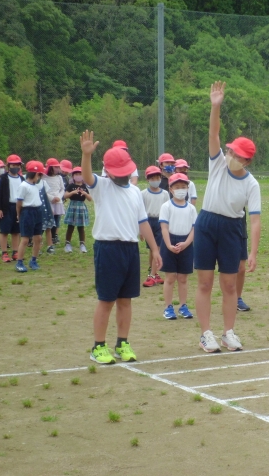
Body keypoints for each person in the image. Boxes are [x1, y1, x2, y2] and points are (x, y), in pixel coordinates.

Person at [80, 130, 162, 364]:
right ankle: (98, 346)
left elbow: (143, 222)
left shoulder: (135, 191)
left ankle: (122, 343)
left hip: (130, 250)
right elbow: (87, 176)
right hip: (108, 249)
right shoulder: (102, 187)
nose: (123, 176)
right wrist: (86, 156)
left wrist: (155, 249)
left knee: (126, 300)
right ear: (108, 172)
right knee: (106, 300)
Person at [194, 81, 261, 353]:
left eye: (238, 155)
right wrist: (215, 106)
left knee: (230, 284)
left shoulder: (252, 184)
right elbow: (214, 134)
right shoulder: (218, 163)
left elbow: (255, 220)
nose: (231, 156)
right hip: (207, 223)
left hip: (233, 228)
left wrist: (254, 252)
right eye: (231, 151)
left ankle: (228, 333)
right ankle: (205, 334)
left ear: (247, 162)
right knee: (205, 282)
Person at [160, 172, 197, 320]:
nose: (181, 189)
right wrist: (169, 245)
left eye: (184, 186)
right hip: (169, 241)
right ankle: (168, 307)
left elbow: (194, 228)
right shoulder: (166, 206)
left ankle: (183, 306)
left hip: (186, 243)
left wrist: (187, 243)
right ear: (171, 189)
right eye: (177, 187)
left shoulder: (191, 209)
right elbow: (163, 227)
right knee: (170, 278)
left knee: (183, 278)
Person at [141, 166, 169, 287]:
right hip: (148, 222)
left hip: (160, 222)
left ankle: (152, 275)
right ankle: (154, 272)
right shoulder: (143, 194)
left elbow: (168, 209)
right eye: (152, 177)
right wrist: (140, 230)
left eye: (157, 177)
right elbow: (140, 211)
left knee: (157, 248)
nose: (155, 179)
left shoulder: (165, 194)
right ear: (148, 179)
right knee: (152, 249)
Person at [15, 161, 45, 272]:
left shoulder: (36, 186)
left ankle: (33, 260)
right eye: (40, 175)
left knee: (38, 238)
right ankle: (19, 262)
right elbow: (19, 203)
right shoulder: (23, 186)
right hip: (27, 212)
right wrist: (19, 214)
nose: (40, 177)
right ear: (36, 174)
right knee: (25, 239)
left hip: (38, 211)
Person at [0, 154, 24, 262]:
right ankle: (4, 252)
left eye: (17, 165)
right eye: (13, 165)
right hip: (6, 207)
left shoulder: (21, 179)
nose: (15, 167)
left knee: (16, 231)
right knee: (4, 231)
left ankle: (15, 251)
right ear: (8, 166)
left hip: (17, 207)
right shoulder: (3, 178)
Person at [63, 167, 92, 253]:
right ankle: (67, 244)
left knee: (81, 227)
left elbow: (90, 199)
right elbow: (65, 195)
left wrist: (85, 194)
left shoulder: (85, 186)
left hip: (81, 207)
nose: (78, 176)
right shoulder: (71, 186)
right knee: (70, 226)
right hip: (72, 206)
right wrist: (72, 192)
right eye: (76, 174)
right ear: (73, 176)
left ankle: (82, 245)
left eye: (80, 174)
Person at [44, 158, 65, 245]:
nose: (57, 169)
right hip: (49, 201)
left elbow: (62, 189)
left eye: (58, 167)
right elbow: (43, 190)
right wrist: (51, 198)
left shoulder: (59, 177)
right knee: (48, 219)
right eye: (55, 167)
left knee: (57, 219)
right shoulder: (44, 177)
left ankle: (54, 236)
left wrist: (58, 197)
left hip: (58, 202)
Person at [37, 170, 56, 254]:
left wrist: (50, 208)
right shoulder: (30, 184)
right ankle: (38, 247)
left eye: (40, 174)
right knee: (38, 230)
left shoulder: (43, 183)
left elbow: (46, 196)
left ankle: (50, 245)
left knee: (48, 228)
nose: (39, 176)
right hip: (37, 209)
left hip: (46, 208)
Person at [236, 211, 251, 312]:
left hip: (240, 230)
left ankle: (238, 298)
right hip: (225, 229)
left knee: (241, 269)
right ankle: (229, 298)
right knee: (228, 270)